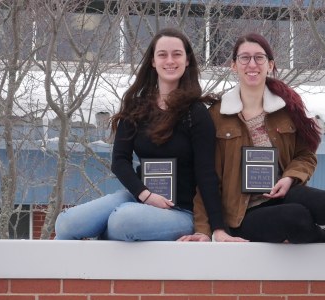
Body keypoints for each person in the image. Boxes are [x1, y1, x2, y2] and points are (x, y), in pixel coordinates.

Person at [180, 32, 325, 243]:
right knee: (296, 218)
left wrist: (289, 177)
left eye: (259, 57)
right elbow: (207, 177)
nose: (252, 64)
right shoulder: (216, 115)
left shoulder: (286, 109)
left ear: (270, 65)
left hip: (281, 193)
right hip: (242, 214)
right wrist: (204, 230)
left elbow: (305, 154)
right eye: (244, 58)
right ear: (233, 65)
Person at [55, 29, 224, 241]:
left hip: (180, 211)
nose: (170, 60)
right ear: (153, 61)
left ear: (187, 60)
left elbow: (207, 173)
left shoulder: (196, 113)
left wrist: (216, 228)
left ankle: (104, 238)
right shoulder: (136, 106)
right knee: (67, 224)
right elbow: (119, 161)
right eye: (162, 54)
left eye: (177, 54)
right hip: (140, 198)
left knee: (122, 221)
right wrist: (145, 195)